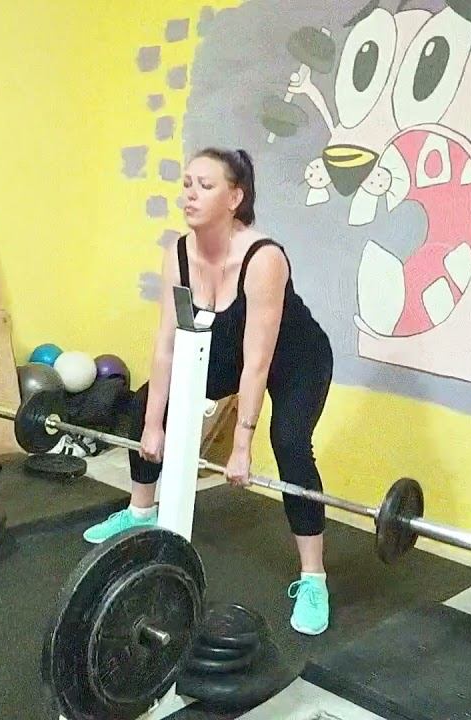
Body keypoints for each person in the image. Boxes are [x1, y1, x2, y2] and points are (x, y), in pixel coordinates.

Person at [82, 147, 336, 636]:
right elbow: (167, 344)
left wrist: (241, 446)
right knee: (148, 400)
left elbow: (258, 361)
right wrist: (152, 425)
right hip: (229, 350)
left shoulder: (264, 259)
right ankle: (140, 511)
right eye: (187, 184)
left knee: (289, 444)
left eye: (205, 185)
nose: (190, 195)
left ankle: (313, 578)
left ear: (235, 198)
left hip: (295, 360)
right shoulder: (179, 253)